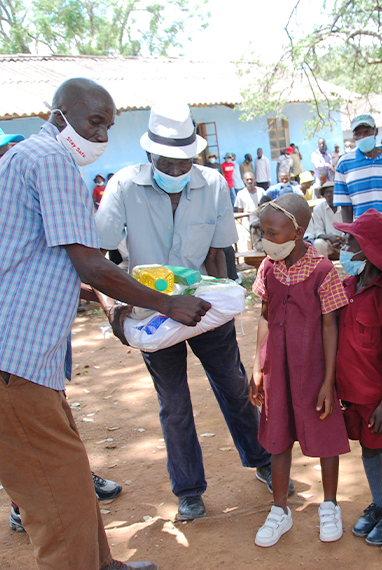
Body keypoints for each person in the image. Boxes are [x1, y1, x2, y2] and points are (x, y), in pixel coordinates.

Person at [0, 78, 210, 570]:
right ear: (60, 112)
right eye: (94, 121)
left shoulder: (18, 159)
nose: (101, 135)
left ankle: (105, 566)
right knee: (56, 503)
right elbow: (90, 263)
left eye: (108, 126)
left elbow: (43, 264)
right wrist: (167, 304)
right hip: (15, 363)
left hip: (28, 360)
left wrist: (116, 305)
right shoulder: (53, 161)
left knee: (71, 479)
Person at [95, 101, 274, 523]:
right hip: (153, 314)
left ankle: (263, 459)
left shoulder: (212, 184)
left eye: (185, 163)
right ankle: (189, 490)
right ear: (149, 156)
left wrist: (224, 305)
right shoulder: (123, 188)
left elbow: (219, 253)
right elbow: (100, 256)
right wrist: (115, 313)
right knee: (173, 404)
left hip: (204, 306)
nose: (177, 172)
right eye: (167, 163)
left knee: (232, 385)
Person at [249, 194, 350, 547]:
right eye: (263, 232)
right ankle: (280, 510)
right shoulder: (267, 267)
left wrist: (327, 381)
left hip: (312, 370)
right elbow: (264, 315)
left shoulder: (322, 270)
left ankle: (330, 505)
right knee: (277, 436)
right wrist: (258, 366)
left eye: (273, 233)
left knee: (324, 438)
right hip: (277, 368)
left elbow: (330, 326)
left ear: (299, 231)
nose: (266, 240)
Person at [333, 210, 382, 547]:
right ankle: (377, 504)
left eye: (351, 241)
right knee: (366, 447)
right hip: (350, 395)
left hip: (377, 397)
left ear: (369, 251)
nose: (344, 245)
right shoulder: (346, 285)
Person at [335, 114, 382, 225]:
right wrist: (349, 233)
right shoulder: (344, 164)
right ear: (354, 137)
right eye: (358, 134)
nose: (363, 137)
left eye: (366, 132)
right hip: (363, 233)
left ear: (375, 131)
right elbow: (346, 205)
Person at [305, 181, 344, 258]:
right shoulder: (318, 209)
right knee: (318, 243)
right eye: (326, 193)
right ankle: (324, 267)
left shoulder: (344, 207)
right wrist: (330, 237)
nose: (329, 195)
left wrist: (342, 239)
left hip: (344, 241)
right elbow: (319, 232)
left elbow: (350, 226)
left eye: (331, 192)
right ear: (323, 195)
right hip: (328, 242)